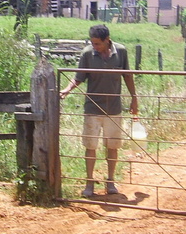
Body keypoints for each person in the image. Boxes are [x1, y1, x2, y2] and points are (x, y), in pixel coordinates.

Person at [59, 24, 138, 198]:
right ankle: (89, 183)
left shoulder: (121, 52)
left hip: (114, 108)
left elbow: (128, 76)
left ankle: (110, 181)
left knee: (112, 146)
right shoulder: (88, 54)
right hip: (93, 108)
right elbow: (79, 77)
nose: (95, 46)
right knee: (90, 146)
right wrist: (67, 89)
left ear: (107, 40)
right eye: (93, 43)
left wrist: (134, 98)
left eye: (98, 44)